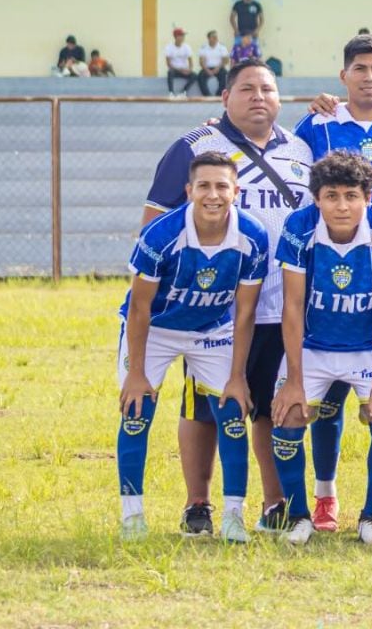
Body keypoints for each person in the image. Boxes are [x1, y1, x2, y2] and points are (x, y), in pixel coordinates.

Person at [143, 59, 313, 537]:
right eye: (247, 88)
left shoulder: (300, 150)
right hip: (214, 312)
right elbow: (154, 223)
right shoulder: (195, 147)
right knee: (205, 408)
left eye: (268, 88)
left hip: (284, 306)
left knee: (270, 406)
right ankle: (198, 505)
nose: (259, 97)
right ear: (224, 97)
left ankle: (275, 503)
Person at [290, 34, 372, 536]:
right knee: (328, 399)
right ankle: (324, 498)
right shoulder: (317, 125)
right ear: (343, 75)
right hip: (328, 275)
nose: (369, 77)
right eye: (359, 68)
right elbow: (279, 152)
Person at [115, 152, 270, 543]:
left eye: (222, 186)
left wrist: (237, 377)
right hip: (156, 329)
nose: (212, 195)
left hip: (210, 329)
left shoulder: (253, 236)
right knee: (136, 412)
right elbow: (139, 307)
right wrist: (136, 373)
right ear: (189, 191)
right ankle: (132, 517)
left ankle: (234, 516)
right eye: (204, 186)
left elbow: (245, 313)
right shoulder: (161, 235)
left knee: (233, 411)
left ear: (236, 191)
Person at [270, 152, 372, 546]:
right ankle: (298, 516)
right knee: (288, 416)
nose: (342, 205)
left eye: (351, 195)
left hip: (367, 347)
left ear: (367, 197)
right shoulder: (300, 226)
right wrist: (294, 380)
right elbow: (293, 306)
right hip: (314, 345)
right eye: (332, 196)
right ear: (317, 198)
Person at [198, 31, 232, 97]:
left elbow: (226, 60)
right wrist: (207, 70)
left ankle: (219, 95)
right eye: (213, 37)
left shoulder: (222, 47)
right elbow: (201, 61)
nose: (215, 38)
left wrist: (217, 68)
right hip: (207, 68)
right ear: (208, 38)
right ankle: (207, 95)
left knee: (225, 76)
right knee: (200, 76)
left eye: (216, 37)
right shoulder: (203, 47)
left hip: (219, 67)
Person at [165, 28, 196, 99]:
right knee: (170, 72)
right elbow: (168, 64)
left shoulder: (187, 47)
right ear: (176, 37)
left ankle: (183, 92)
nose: (183, 37)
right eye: (181, 35)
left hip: (185, 71)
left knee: (194, 75)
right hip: (175, 70)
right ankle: (171, 93)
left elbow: (191, 62)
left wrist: (190, 70)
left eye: (183, 35)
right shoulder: (169, 47)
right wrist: (180, 70)